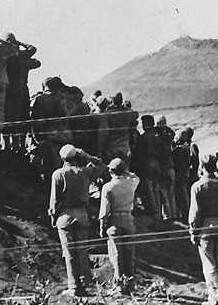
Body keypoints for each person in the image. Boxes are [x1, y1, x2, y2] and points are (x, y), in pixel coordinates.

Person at [49, 144, 105, 298]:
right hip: (82, 215)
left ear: (62, 158)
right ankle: (83, 284)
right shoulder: (85, 172)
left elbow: (54, 200)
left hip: (65, 216)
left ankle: (73, 286)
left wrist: (53, 216)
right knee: (81, 251)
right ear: (76, 157)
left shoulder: (58, 174)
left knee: (69, 253)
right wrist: (86, 155)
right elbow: (101, 165)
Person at [189, 154, 218, 305]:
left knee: (209, 263)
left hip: (206, 225)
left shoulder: (197, 186)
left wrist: (193, 231)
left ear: (201, 167)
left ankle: (215, 296)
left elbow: (195, 212)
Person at [99, 157, 140, 295]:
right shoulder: (131, 184)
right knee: (129, 253)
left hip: (114, 220)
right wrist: (126, 172)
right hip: (128, 218)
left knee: (116, 254)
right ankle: (130, 284)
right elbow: (136, 178)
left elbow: (104, 210)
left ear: (111, 171)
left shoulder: (108, 187)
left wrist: (101, 225)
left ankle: (119, 286)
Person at [3, 33, 40, 152]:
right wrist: (20, 42)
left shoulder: (4, 56)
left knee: (8, 117)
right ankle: (21, 145)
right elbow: (33, 49)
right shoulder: (23, 56)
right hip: (22, 89)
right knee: (23, 117)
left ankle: (8, 145)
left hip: (8, 90)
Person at [31, 77, 70, 181]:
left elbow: (34, 120)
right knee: (60, 167)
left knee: (48, 168)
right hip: (61, 137)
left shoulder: (40, 99)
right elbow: (65, 118)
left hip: (45, 137)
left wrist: (37, 137)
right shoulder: (61, 99)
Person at [130, 114, 161, 219]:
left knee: (148, 188)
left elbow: (139, 154)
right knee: (156, 188)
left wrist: (136, 165)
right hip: (157, 163)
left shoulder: (143, 138)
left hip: (147, 163)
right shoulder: (157, 137)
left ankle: (153, 211)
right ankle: (159, 213)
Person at [102, 93, 138, 163]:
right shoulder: (127, 112)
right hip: (125, 147)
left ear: (112, 101)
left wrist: (101, 149)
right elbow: (136, 114)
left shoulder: (107, 114)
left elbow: (104, 134)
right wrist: (124, 108)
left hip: (112, 148)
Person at [155, 115, 176, 220]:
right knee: (171, 193)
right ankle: (174, 214)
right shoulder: (168, 137)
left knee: (163, 194)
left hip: (163, 168)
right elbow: (172, 133)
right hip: (170, 167)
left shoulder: (158, 138)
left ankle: (167, 215)